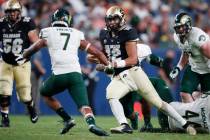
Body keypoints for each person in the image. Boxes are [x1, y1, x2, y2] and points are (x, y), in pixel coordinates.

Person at [96, 6, 196, 135]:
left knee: (158, 103)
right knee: (111, 95)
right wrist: (103, 63)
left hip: (134, 73)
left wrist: (114, 63)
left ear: (122, 19)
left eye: (115, 19)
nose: (112, 22)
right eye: (110, 19)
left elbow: (132, 59)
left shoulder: (129, 32)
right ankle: (124, 125)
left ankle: (184, 124)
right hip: (119, 76)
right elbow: (106, 55)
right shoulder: (103, 33)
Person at [19, 8, 109, 136]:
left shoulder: (48, 32)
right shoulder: (76, 33)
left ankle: (67, 119)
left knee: (44, 93)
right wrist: (109, 65)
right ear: (68, 20)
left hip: (59, 75)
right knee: (84, 105)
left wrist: (25, 54)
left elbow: (35, 47)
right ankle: (91, 124)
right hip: (76, 75)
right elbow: (97, 52)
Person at [0, 0, 38, 127]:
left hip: (22, 63)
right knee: (4, 89)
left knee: (24, 95)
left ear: (19, 11)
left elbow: (36, 42)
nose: (11, 14)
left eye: (14, 11)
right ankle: (5, 118)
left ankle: (31, 107)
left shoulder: (27, 23)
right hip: (5, 62)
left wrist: (27, 53)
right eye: (9, 11)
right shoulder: (1, 23)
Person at [169, 12, 210, 103]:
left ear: (188, 25)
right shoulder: (177, 37)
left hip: (207, 70)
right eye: (177, 27)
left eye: (181, 26)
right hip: (193, 68)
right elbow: (186, 52)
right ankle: (191, 117)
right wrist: (178, 67)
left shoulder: (197, 36)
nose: (179, 30)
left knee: (205, 99)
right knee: (184, 93)